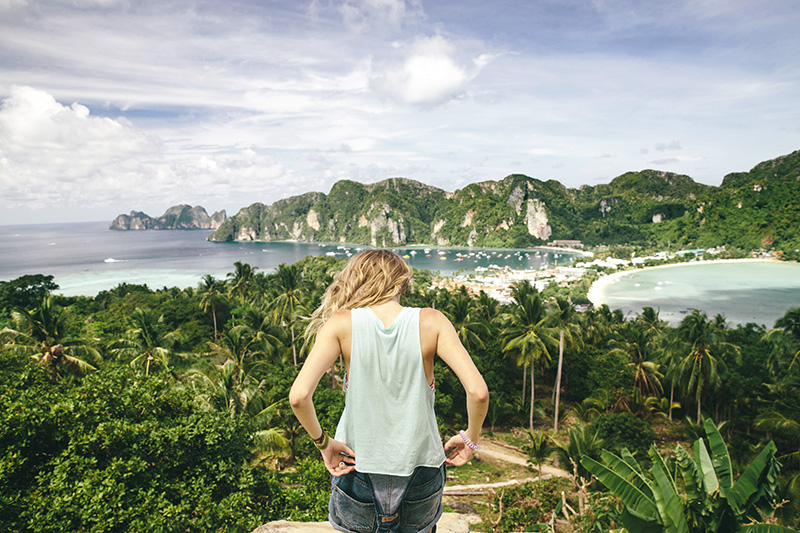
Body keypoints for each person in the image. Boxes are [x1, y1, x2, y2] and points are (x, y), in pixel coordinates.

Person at [290, 249, 489, 533]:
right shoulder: (432, 321)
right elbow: (478, 392)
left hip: (356, 466)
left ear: (356, 280)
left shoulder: (341, 324)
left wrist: (324, 444)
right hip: (422, 470)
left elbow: (298, 397)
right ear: (402, 284)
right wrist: (470, 439)